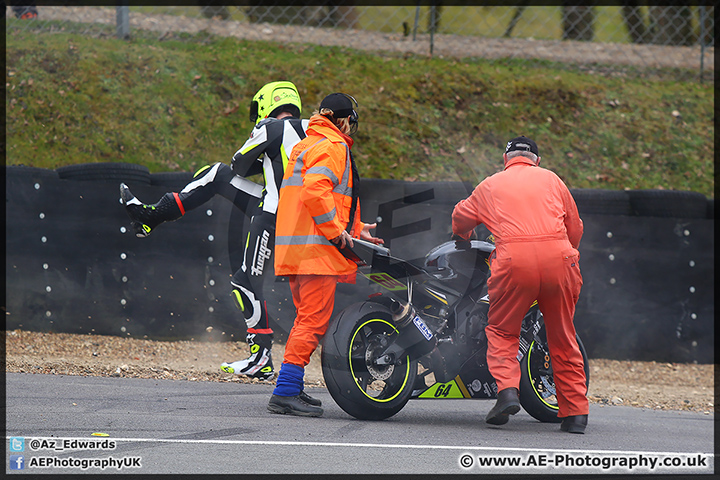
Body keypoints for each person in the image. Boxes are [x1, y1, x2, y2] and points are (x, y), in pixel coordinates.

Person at [120, 81, 307, 381]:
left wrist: (259, 143)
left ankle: (260, 358)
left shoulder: (270, 128)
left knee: (245, 282)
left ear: (266, 104)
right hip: (312, 221)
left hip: (276, 216)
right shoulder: (317, 130)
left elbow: (239, 165)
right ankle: (152, 216)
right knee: (215, 175)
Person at [451, 136, 588, 434]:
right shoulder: (552, 180)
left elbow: (461, 216)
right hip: (560, 260)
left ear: (506, 158)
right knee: (562, 337)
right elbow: (575, 226)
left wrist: (460, 236)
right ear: (536, 160)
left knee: (502, 330)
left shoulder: (491, 184)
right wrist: (565, 253)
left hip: (515, 261)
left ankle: (508, 393)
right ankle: (576, 414)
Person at [267, 93, 383, 417]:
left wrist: (356, 229)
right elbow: (317, 190)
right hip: (317, 251)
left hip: (296, 250)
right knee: (312, 323)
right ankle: (286, 391)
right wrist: (336, 232)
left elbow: (327, 199)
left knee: (305, 320)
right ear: (344, 119)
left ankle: (291, 388)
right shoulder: (333, 146)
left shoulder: (305, 145)